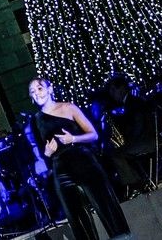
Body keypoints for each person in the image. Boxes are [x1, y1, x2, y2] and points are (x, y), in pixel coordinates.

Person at [28, 77, 131, 240]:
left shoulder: (68, 107)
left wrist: (73, 139)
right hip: (60, 169)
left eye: (39, 88)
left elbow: (94, 135)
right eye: (32, 92)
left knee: (106, 206)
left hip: (83, 162)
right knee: (76, 218)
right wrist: (47, 153)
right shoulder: (35, 120)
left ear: (49, 89)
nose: (37, 94)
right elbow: (43, 154)